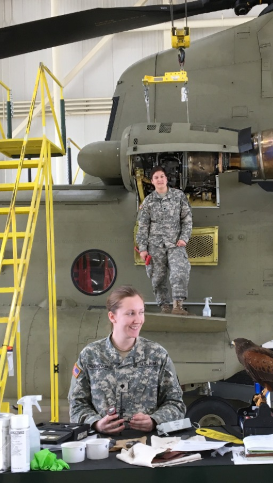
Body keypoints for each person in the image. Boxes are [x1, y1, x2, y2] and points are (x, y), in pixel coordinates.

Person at [68, 285, 186, 434]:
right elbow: (76, 404)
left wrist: (154, 420)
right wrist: (96, 423)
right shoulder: (90, 355)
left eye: (141, 313)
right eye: (130, 313)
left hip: (147, 447)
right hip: (102, 446)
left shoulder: (157, 355)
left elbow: (176, 404)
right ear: (112, 317)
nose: (138, 320)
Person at [136, 166, 192, 315]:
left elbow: (187, 219)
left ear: (166, 179)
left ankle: (178, 306)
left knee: (179, 273)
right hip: (155, 246)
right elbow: (142, 226)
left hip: (175, 244)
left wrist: (184, 238)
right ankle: (164, 307)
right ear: (152, 181)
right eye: (156, 177)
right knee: (157, 278)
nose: (159, 179)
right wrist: (143, 248)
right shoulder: (148, 201)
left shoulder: (178, 196)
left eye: (162, 176)